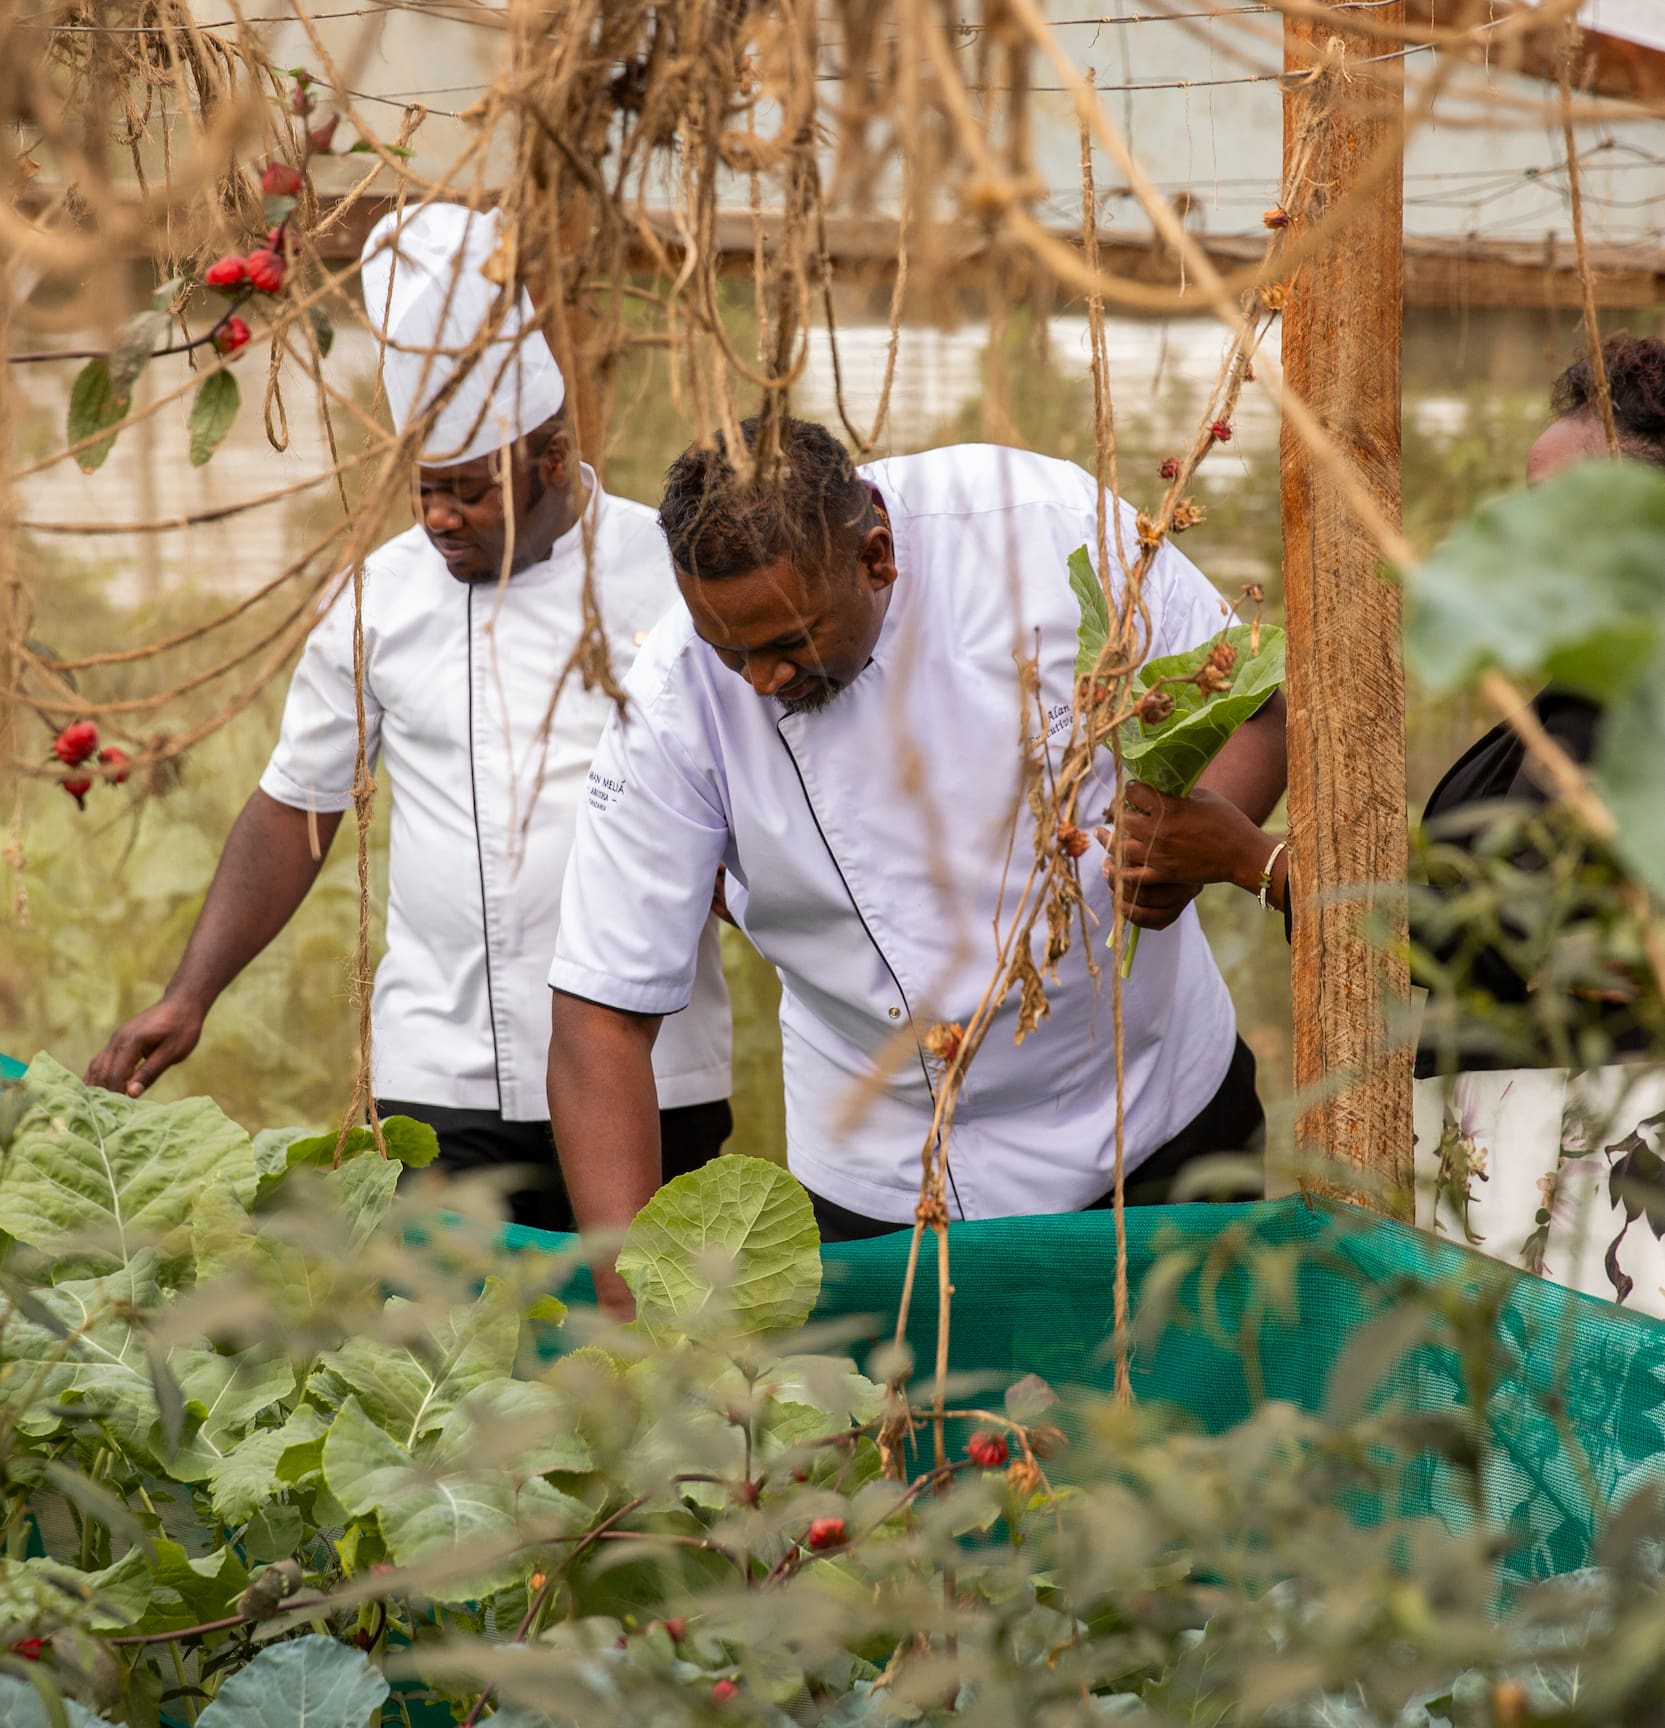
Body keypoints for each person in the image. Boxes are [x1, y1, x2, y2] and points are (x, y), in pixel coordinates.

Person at [547, 416, 1287, 1313]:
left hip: (1159, 1113)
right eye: (727, 649)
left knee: (1193, 1429)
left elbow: (1251, 703)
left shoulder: (1040, 524)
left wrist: (1186, 838)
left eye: (790, 643)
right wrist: (631, 1319)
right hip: (890, 1180)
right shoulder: (670, 702)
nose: (758, 682)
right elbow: (600, 1018)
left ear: (877, 555)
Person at [86, 203, 732, 1229]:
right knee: (457, 1367)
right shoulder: (381, 597)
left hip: (660, 1068)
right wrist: (189, 994)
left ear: (555, 458)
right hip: (445, 1077)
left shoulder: (675, 575)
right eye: (426, 490)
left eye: (469, 492)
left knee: (657, 1354)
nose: (437, 518)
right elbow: (294, 808)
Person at [1108, 333, 1665, 1302]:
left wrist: (1262, 860)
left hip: (1611, 1209)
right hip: (1517, 1178)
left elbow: (1536, 943)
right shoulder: (1574, 704)